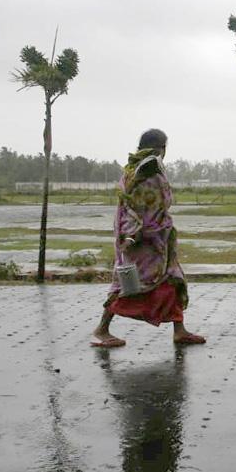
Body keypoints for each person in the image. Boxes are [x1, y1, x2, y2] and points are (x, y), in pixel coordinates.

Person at [91, 128, 206, 347]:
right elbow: (147, 206)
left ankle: (179, 330)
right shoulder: (147, 171)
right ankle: (101, 329)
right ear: (161, 147)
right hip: (144, 240)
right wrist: (147, 231)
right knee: (129, 285)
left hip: (150, 239)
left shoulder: (132, 168)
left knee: (172, 279)